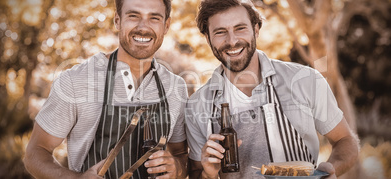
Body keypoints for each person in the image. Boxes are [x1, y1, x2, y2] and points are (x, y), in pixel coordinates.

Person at [185, 0, 359, 178]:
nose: (232, 41)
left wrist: (332, 169)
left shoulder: (305, 80)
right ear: (208, 38)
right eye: (220, 32)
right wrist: (208, 174)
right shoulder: (197, 106)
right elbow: (197, 172)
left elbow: (345, 140)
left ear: (256, 29)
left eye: (240, 28)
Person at [24, 0, 188, 178]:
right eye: (134, 16)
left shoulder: (175, 87)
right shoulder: (76, 80)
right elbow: (35, 153)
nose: (143, 27)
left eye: (154, 18)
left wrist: (177, 168)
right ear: (117, 20)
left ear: (166, 25)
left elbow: (181, 155)